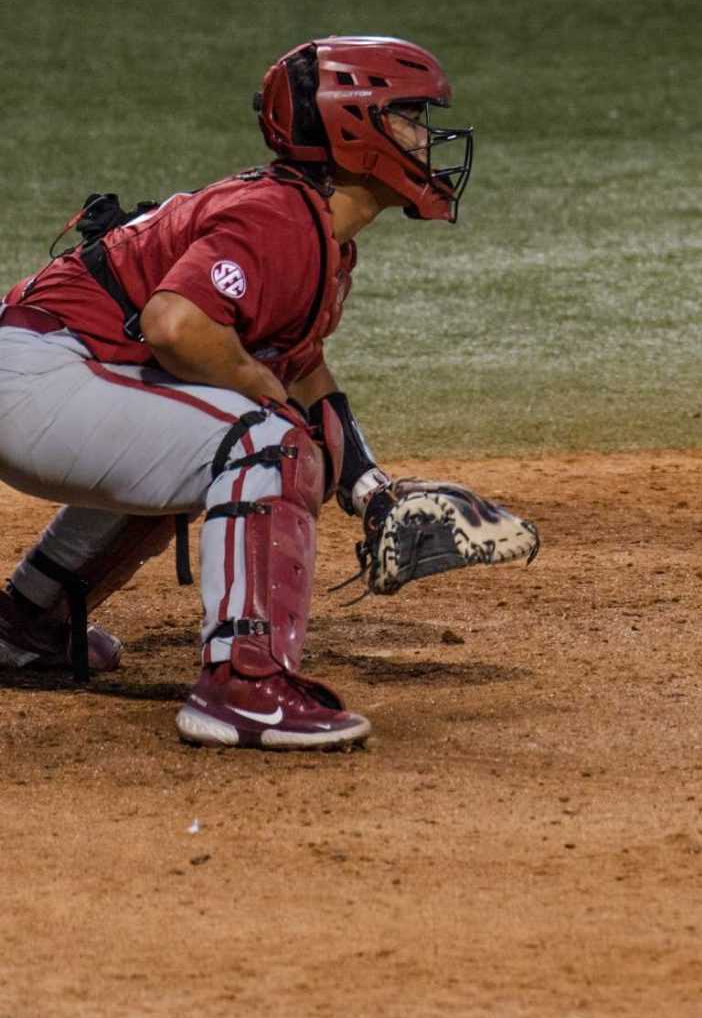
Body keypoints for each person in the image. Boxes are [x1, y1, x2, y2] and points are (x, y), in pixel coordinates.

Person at [0, 38, 495, 749]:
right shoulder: (282, 220)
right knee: (265, 439)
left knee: (243, 430)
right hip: (41, 380)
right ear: (356, 131)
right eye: (407, 116)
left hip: (44, 374)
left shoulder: (313, 229)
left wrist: (375, 491)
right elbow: (178, 324)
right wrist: (261, 391)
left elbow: (306, 376)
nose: (427, 136)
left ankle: (26, 623)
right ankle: (245, 686)